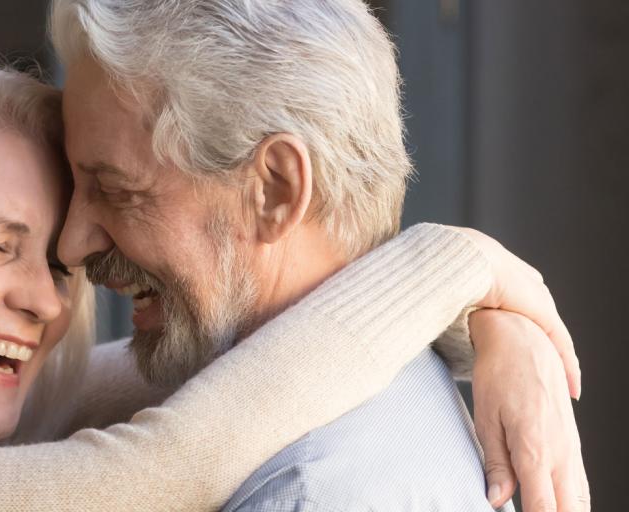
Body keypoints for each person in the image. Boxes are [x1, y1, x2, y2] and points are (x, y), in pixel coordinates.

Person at [0, 45, 577, 512]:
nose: (48, 298)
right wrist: (453, 262)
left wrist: (498, 326)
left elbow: (264, 351)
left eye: (50, 260)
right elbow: (167, 462)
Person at [49, 0, 587, 510]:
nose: (71, 245)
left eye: (117, 191)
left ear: (275, 192)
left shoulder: (306, 493)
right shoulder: (369, 413)